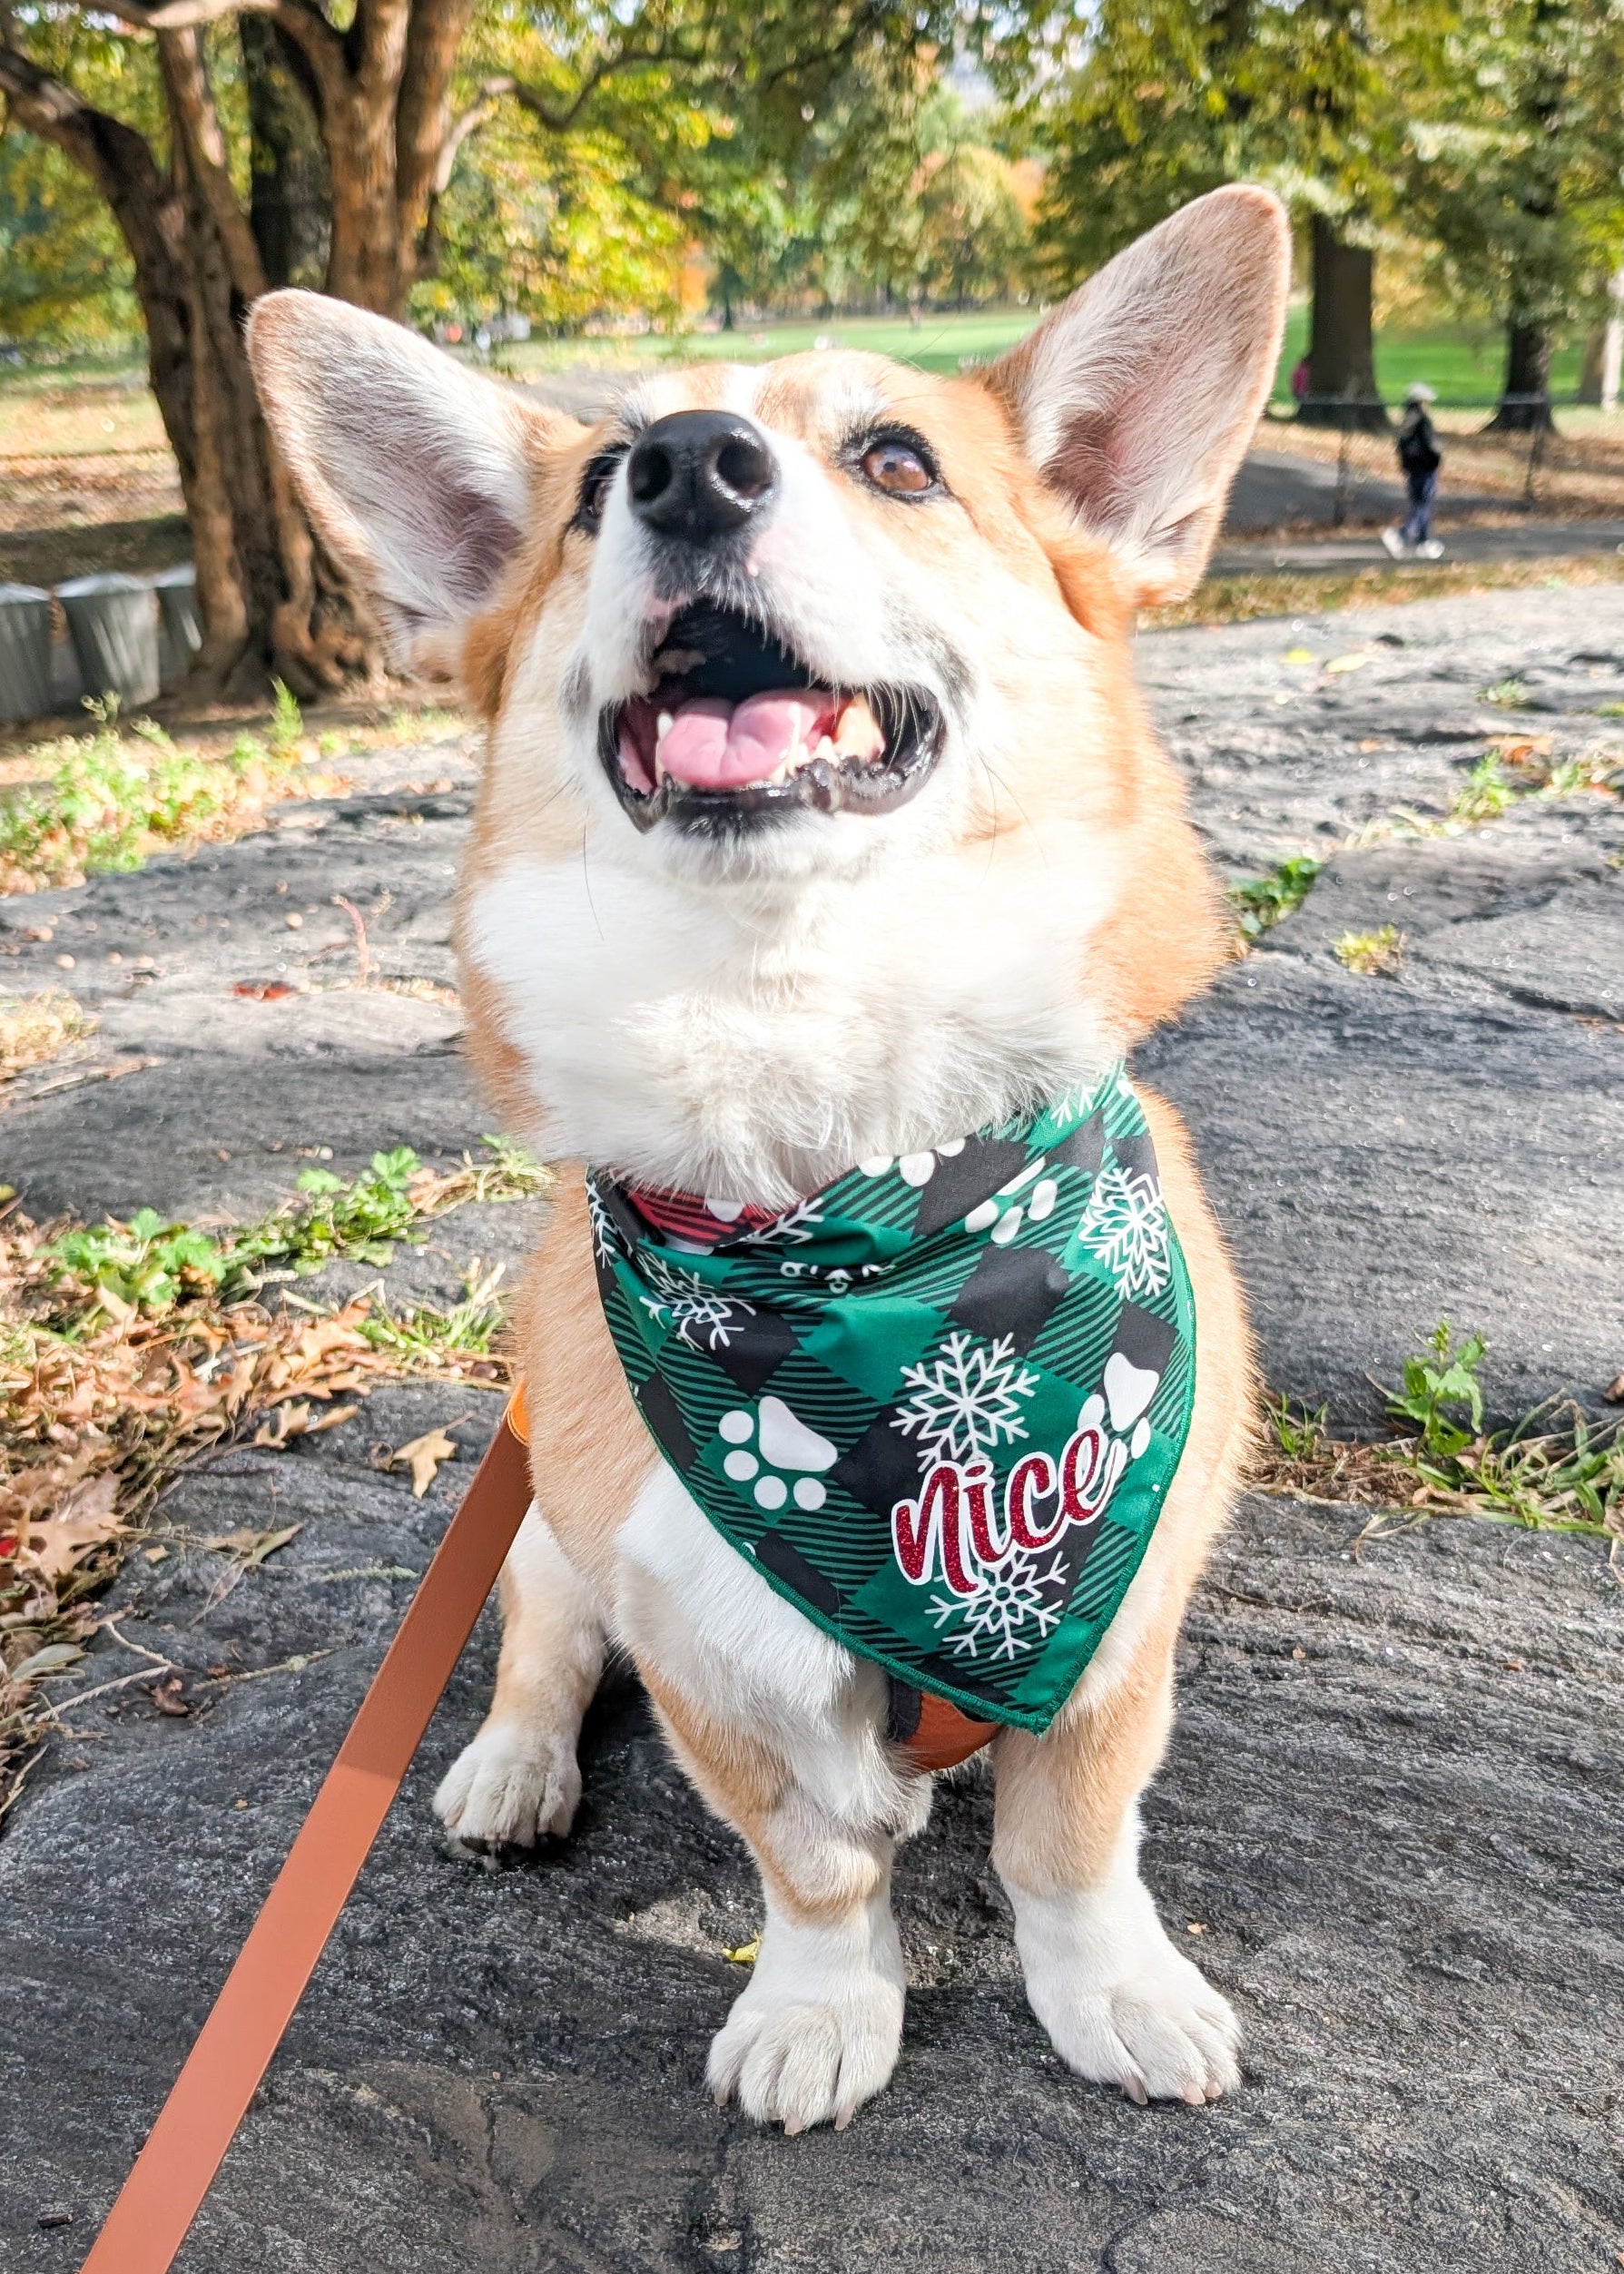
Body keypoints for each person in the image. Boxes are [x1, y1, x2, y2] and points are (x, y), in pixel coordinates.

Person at [1383, 384, 1444, 559]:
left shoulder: (1406, 422)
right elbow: (1432, 446)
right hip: (1426, 469)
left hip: (1412, 470)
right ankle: (1400, 535)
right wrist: (1438, 458)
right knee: (1423, 506)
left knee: (1419, 504)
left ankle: (1424, 542)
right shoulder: (1423, 422)